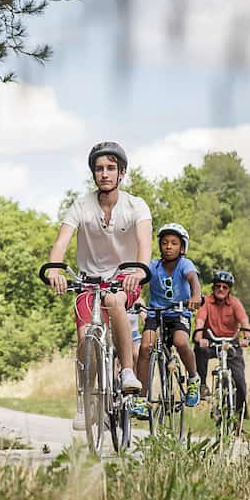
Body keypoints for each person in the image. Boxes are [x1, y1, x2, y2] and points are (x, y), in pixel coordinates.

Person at [45, 140, 153, 429]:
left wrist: (139, 271)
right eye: (99, 169)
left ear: (122, 173)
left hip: (124, 278)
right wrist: (55, 268)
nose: (104, 173)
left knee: (115, 301)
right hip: (88, 281)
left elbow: (145, 245)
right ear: (93, 174)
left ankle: (127, 372)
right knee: (84, 340)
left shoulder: (136, 206)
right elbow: (60, 243)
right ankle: (86, 400)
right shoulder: (81, 206)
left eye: (110, 168)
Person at [141, 223, 202, 414]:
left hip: (179, 312)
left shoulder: (185, 264)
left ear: (182, 247)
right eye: (165, 243)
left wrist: (196, 296)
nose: (169, 246)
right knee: (145, 347)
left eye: (174, 243)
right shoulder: (153, 265)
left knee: (181, 342)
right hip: (155, 312)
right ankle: (140, 398)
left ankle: (193, 379)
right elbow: (140, 279)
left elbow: (193, 279)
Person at [193, 268, 250, 422]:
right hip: (211, 342)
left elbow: (244, 321)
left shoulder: (234, 303)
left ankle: (239, 419)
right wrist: (199, 337)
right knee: (199, 350)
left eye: (225, 287)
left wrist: (247, 336)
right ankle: (202, 385)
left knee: (239, 380)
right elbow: (200, 321)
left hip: (231, 343)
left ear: (229, 290)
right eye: (218, 286)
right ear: (213, 287)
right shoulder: (206, 302)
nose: (221, 289)